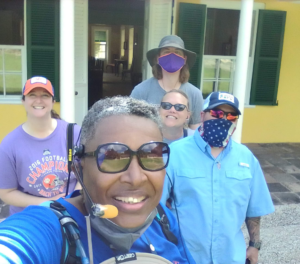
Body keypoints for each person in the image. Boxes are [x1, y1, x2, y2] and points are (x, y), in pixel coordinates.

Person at [0, 96, 195, 264]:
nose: (136, 179)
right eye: (112, 157)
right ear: (79, 166)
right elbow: (15, 245)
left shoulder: (162, 219)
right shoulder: (51, 228)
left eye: (151, 155)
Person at [161, 92, 275, 264]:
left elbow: (253, 210)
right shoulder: (174, 154)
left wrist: (254, 245)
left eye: (231, 115)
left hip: (231, 257)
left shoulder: (246, 158)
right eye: (216, 113)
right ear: (202, 115)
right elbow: (157, 209)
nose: (223, 120)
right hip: (185, 257)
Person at [0, 76, 81, 215]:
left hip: (72, 210)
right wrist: (48, 203)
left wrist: (73, 199)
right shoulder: (9, 145)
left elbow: (86, 175)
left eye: (45, 95)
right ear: (23, 101)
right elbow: (6, 192)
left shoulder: (74, 133)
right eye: (32, 95)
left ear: (53, 101)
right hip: (30, 216)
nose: (39, 100)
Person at [131, 35, 203, 130]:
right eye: (166, 52)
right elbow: (131, 127)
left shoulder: (195, 94)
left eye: (177, 52)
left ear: (184, 59)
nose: (172, 56)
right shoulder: (141, 91)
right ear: (158, 58)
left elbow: (195, 131)